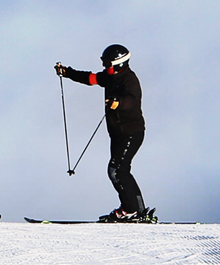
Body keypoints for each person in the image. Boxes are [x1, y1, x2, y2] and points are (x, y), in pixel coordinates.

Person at [55, 44, 155, 223]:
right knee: (120, 170)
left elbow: (132, 99)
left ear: (118, 64)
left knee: (117, 171)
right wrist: (67, 72)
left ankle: (131, 210)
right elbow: (90, 78)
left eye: (107, 63)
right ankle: (136, 210)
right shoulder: (110, 77)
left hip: (131, 133)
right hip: (117, 133)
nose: (104, 66)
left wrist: (118, 102)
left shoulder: (129, 80)